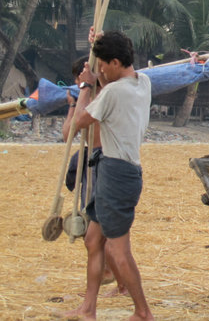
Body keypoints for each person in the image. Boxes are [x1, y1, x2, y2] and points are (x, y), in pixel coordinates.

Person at [66, 30, 153, 321]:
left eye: (103, 63)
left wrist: (85, 86)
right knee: (93, 239)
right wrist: (98, 44)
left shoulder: (113, 92)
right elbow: (110, 84)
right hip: (115, 170)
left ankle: (142, 312)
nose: (100, 69)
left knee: (117, 250)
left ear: (116, 62)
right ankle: (88, 309)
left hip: (117, 173)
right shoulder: (143, 82)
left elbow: (80, 121)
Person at [62, 57, 127, 297]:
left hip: (105, 162)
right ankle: (107, 279)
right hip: (92, 161)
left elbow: (80, 123)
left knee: (106, 233)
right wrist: (73, 102)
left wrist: (86, 90)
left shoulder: (104, 97)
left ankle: (122, 286)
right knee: (92, 232)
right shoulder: (87, 97)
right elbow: (68, 133)